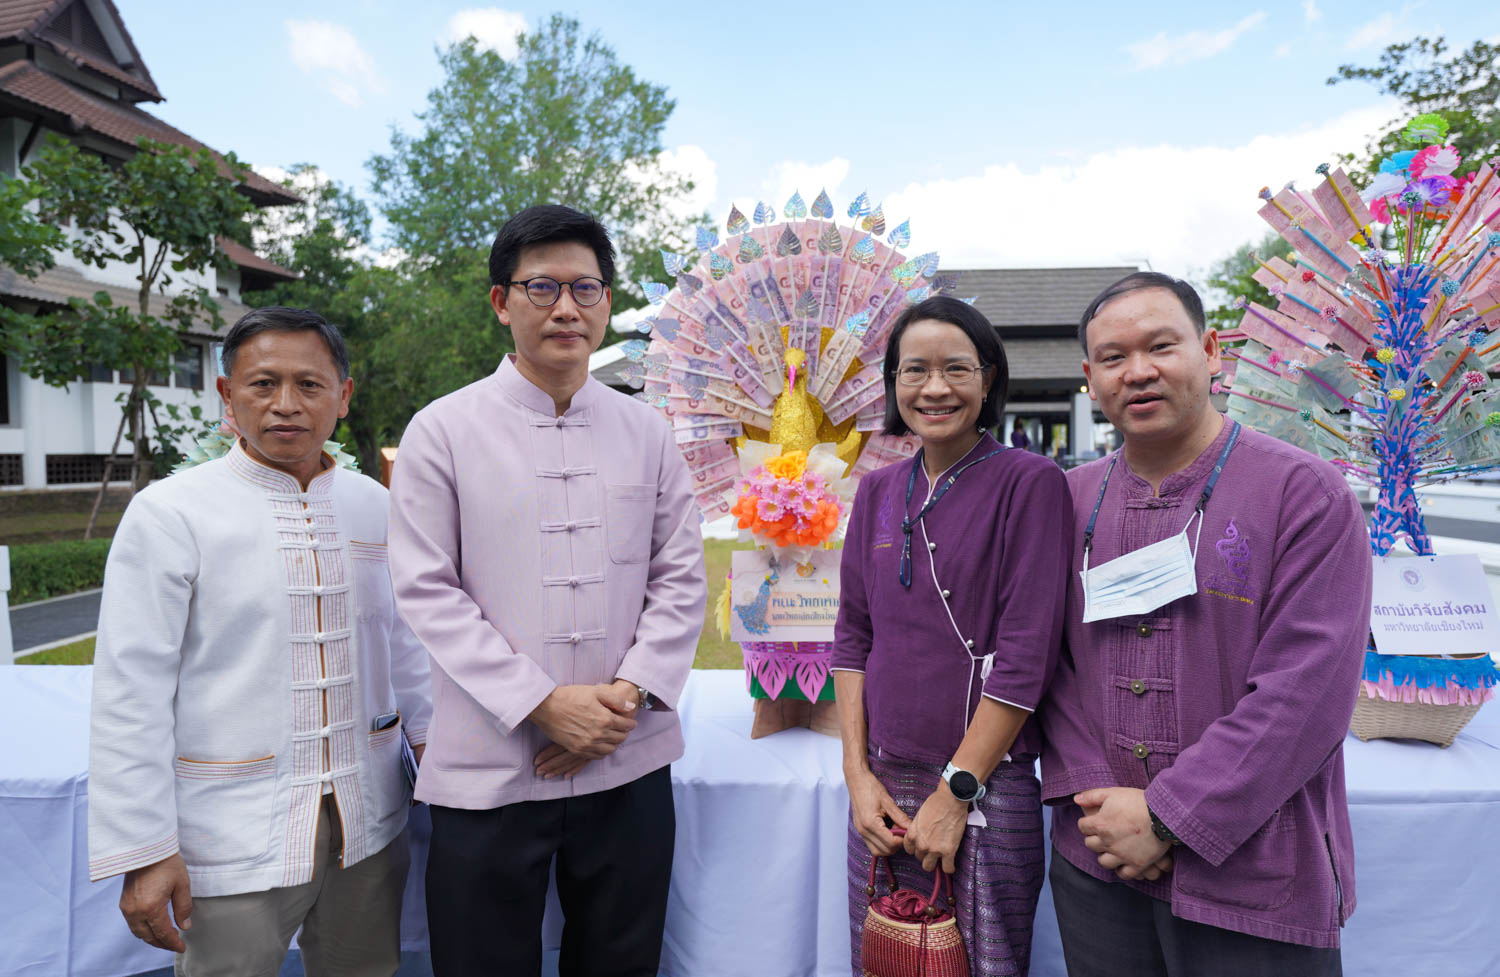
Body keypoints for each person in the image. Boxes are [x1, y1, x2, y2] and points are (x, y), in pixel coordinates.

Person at [387, 204, 706, 977]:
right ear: (502, 302)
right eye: (542, 287)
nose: (566, 307)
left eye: (584, 288)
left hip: (625, 755)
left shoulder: (648, 431)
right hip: (491, 761)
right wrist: (543, 703)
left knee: (621, 962)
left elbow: (680, 573)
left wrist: (626, 697)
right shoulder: (442, 429)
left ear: (606, 302)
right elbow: (427, 589)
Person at [1041, 272, 1370, 976]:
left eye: (1161, 346)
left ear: (1212, 350)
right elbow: (1045, 666)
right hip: (1098, 858)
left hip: (1254, 870)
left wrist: (1165, 815)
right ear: (1090, 379)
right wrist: (1100, 802)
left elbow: (1305, 694)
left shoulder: (1303, 493)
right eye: (1113, 357)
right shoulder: (1066, 500)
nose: (1138, 371)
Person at [88, 307, 432, 976]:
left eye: (309, 384)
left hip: (367, 819)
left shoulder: (375, 505)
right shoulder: (171, 512)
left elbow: (409, 648)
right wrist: (146, 849)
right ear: (227, 395)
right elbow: (130, 691)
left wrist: (437, 756)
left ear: (343, 395)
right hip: (229, 830)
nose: (286, 404)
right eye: (263, 383)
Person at [832, 296, 1071, 977]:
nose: (934, 388)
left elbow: (1026, 656)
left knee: (982, 964)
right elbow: (851, 637)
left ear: (989, 379)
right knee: (885, 959)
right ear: (893, 383)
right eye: (915, 370)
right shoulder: (877, 491)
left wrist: (955, 792)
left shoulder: (1030, 482)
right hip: (882, 785)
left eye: (956, 368)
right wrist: (857, 776)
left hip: (984, 785)